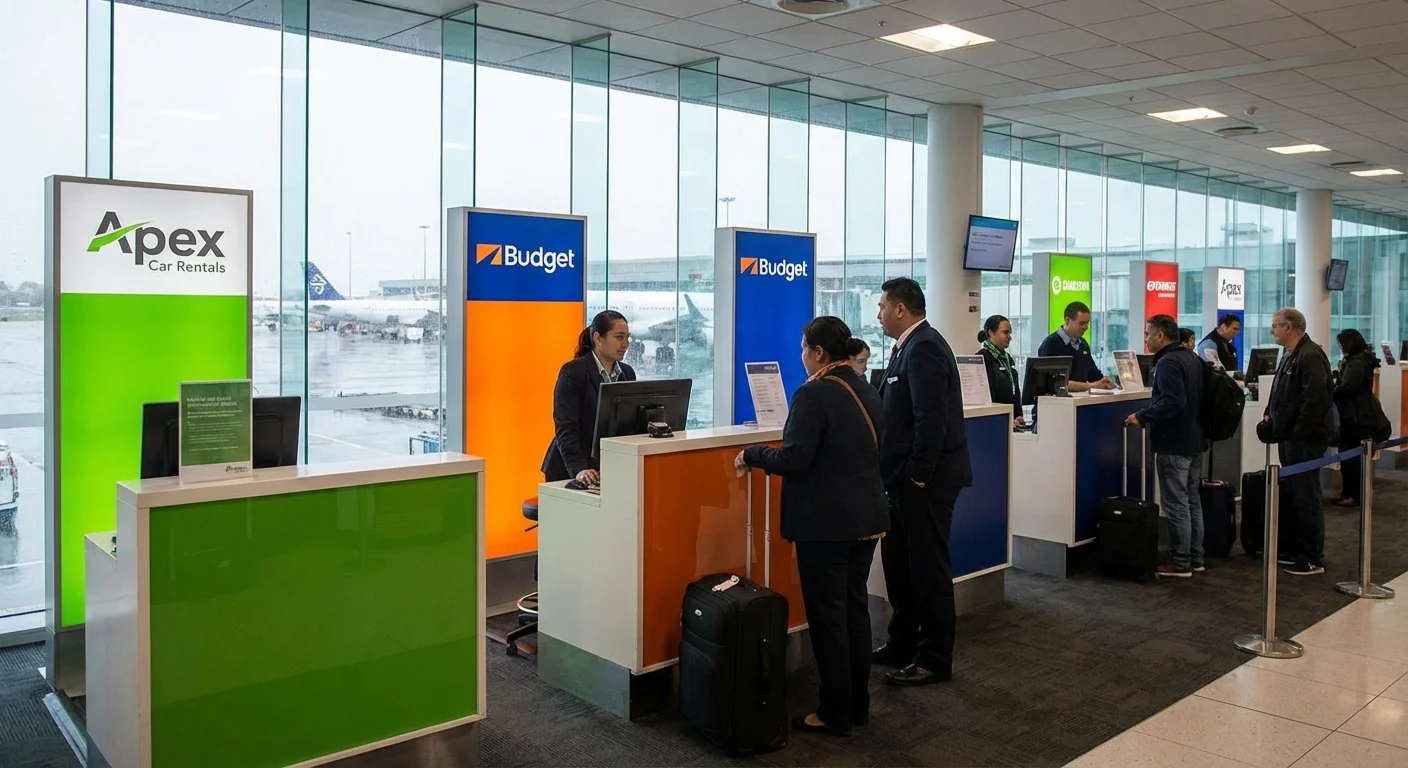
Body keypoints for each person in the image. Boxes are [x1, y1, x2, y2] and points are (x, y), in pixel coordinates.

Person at [733, 316, 888, 737]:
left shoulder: (814, 393)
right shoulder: (864, 386)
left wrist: (753, 454)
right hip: (868, 518)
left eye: (804, 348)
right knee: (855, 611)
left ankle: (834, 713)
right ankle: (858, 705)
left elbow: (794, 459)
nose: (801, 356)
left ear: (818, 352)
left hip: (827, 525)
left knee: (829, 619)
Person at [871, 277, 972, 687]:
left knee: (927, 570)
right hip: (901, 482)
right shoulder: (906, 348)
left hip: (925, 484)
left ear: (900, 309)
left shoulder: (925, 346)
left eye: (881, 306)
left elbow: (932, 419)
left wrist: (916, 476)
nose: (877, 314)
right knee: (900, 567)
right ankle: (902, 642)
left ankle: (933, 658)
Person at [1125, 314, 1206, 578]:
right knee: (1192, 501)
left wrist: (1142, 416)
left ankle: (1181, 562)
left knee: (1177, 504)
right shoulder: (1191, 358)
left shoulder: (1169, 362)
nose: (1145, 339)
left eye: (1148, 334)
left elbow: (1173, 401)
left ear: (1161, 335)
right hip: (1194, 439)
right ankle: (1195, 557)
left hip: (1175, 442)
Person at [1256, 308, 1334, 576]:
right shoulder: (1292, 354)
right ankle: (1300, 550)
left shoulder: (1309, 355)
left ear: (1290, 327)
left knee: (1306, 496)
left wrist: (1297, 432)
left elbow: (1315, 401)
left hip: (1304, 440)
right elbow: (1284, 394)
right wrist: (1271, 417)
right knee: (1295, 495)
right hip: (1290, 437)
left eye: (1276, 325)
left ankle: (1312, 557)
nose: (1272, 330)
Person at [541, 310, 637, 484]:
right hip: (569, 469)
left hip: (606, 469)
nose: (625, 344)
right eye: (619, 337)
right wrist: (579, 469)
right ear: (598, 338)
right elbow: (565, 428)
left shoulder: (627, 373)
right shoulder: (573, 372)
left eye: (627, 337)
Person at [1331, 328, 1380, 508]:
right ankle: (1357, 493)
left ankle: (1352, 495)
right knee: (1355, 459)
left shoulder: (1355, 363)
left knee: (1349, 458)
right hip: (1360, 415)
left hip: (1353, 417)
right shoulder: (1363, 360)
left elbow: (1347, 389)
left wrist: (1331, 391)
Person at [1036, 301, 1113, 392]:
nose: (1085, 327)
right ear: (1067, 321)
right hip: (1056, 403)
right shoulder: (1051, 344)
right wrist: (1090, 386)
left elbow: (1093, 373)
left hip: (1079, 401)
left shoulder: (1083, 345)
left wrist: (1104, 382)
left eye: (1087, 323)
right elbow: (1054, 382)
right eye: (1081, 323)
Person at [976, 314, 1023, 425]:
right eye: (1005, 332)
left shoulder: (1007, 359)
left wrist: (1018, 415)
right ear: (991, 333)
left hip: (1011, 419)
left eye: (1010, 333)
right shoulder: (981, 360)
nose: (1010, 337)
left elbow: (1014, 391)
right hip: (993, 421)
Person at [1197, 314, 1242, 378]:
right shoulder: (1208, 344)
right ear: (1224, 326)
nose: (1236, 332)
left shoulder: (1229, 344)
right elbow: (1215, 371)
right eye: (1234, 329)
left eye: (1237, 330)